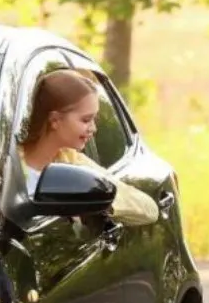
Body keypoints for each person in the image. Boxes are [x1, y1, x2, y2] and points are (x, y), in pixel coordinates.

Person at [18, 68, 158, 226]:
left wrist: (100, 203)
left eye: (94, 119)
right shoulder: (5, 166)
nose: (94, 128)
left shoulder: (74, 163)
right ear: (55, 120)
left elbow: (149, 209)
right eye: (86, 120)